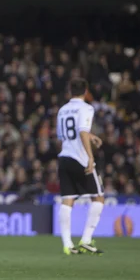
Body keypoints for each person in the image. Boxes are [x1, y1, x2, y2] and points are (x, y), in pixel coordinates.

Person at [56, 78, 105, 256]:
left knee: (68, 200)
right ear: (86, 91)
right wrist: (90, 157)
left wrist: (91, 136)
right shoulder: (86, 108)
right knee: (98, 198)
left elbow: (65, 135)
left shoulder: (62, 110)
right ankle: (85, 240)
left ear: (69, 91)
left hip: (65, 157)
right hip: (81, 158)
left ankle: (67, 244)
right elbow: (82, 131)